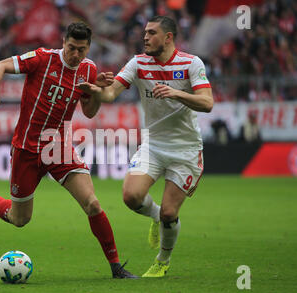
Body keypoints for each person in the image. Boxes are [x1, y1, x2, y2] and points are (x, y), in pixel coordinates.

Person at [0, 22, 137, 279]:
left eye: (81, 50)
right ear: (63, 42)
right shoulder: (42, 59)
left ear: (88, 48)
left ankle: (116, 266)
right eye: (72, 48)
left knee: (92, 203)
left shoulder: (88, 69)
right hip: (26, 149)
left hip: (58, 148)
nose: (76, 55)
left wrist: (96, 92)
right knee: (20, 220)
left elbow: (90, 112)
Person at [78, 16, 214, 277]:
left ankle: (162, 261)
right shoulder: (138, 63)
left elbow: (207, 103)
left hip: (185, 149)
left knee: (170, 212)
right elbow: (109, 94)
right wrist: (96, 89)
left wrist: (177, 93)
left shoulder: (191, 63)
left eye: (152, 33)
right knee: (131, 197)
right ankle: (155, 217)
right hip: (153, 145)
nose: (145, 37)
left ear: (168, 37)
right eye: (145, 33)